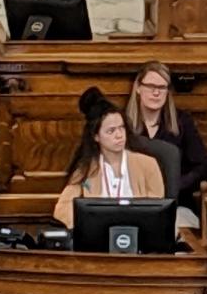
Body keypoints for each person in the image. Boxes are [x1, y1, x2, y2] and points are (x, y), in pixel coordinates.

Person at [53, 87, 164, 228]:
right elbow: (62, 210)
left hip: (139, 237)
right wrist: (86, 225)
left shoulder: (148, 165)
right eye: (111, 131)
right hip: (98, 239)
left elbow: (158, 212)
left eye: (121, 128)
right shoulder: (86, 170)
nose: (119, 135)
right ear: (96, 136)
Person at [125, 61, 207, 213]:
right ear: (138, 88)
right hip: (134, 203)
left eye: (162, 87)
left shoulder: (182, 122)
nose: (156, 93)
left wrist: (175, 185)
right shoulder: (123, 123)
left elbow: (203, 168)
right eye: (151, 86)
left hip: (177, 204)